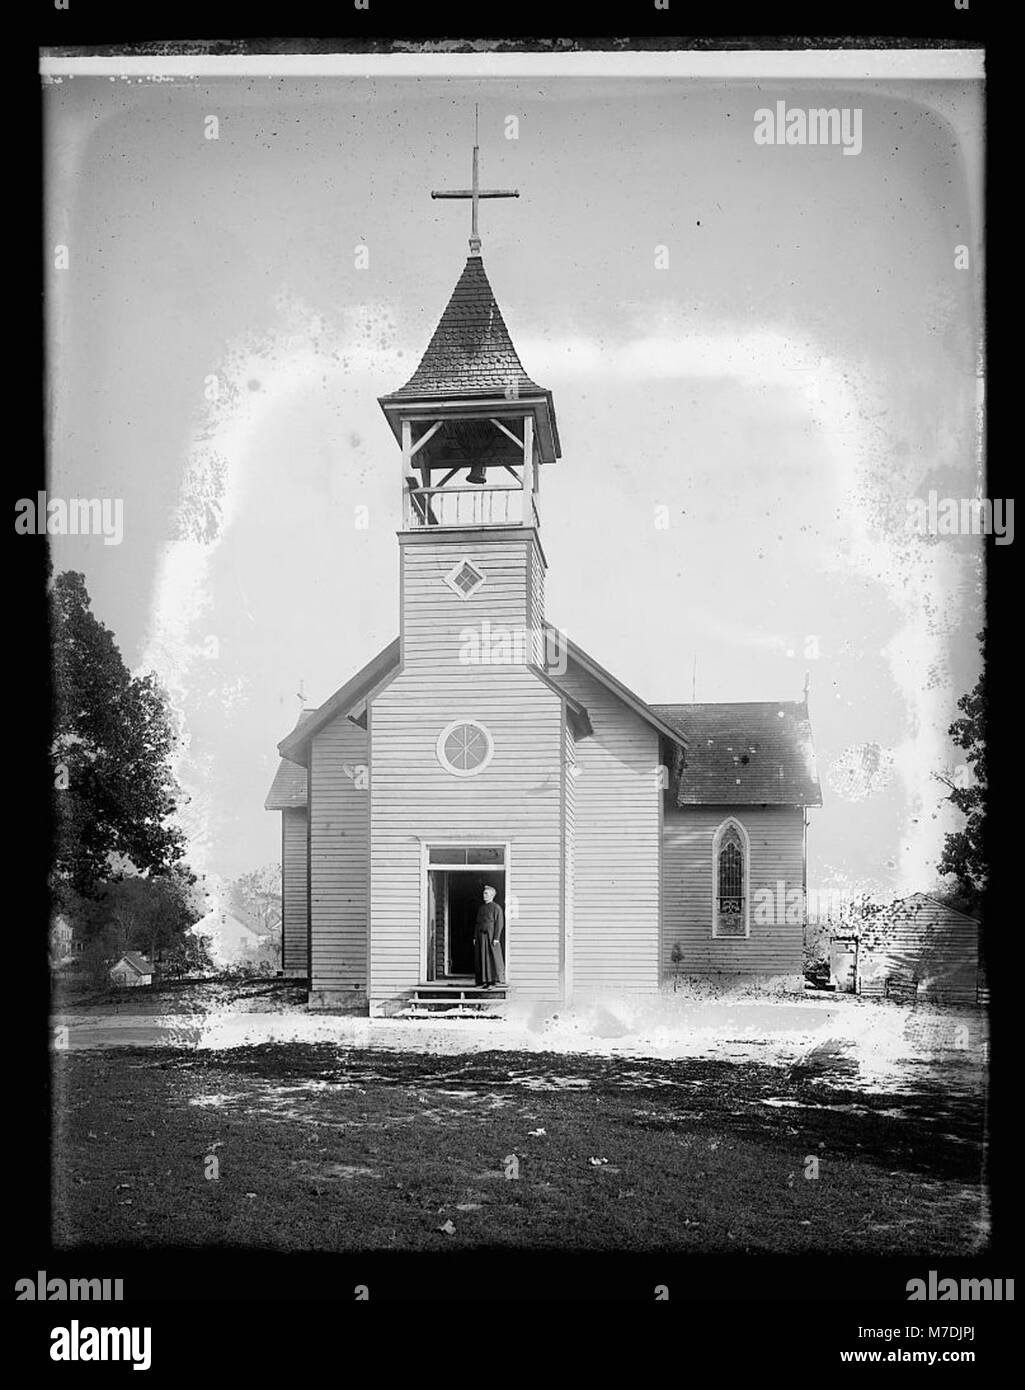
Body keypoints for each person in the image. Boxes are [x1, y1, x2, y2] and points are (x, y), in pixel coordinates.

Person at [474, 884, 505, 987]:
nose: (484, 895)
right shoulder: (481, 908)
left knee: (491, 958)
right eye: (484, 893)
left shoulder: (496, 908)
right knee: (482, 958)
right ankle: (483, 981)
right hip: (481, 937)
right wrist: (475, 937)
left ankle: (492, 981)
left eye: (486, 893)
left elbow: (499, 923)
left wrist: (496, 938)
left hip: (491, 937)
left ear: (492, 895)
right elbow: (477, 923)